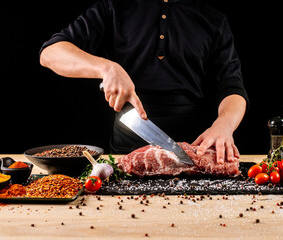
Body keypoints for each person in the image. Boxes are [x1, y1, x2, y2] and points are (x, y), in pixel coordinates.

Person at [39, 0, 248, 164]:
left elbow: (233, 88)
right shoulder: (113, 6)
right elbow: (50, 53)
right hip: (127, 155)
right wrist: (107, 68)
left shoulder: (213, 18)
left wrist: (225, 125)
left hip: (195, 153)